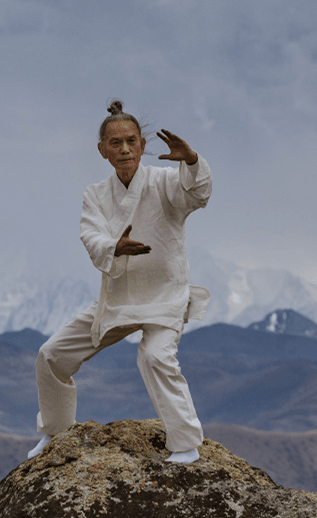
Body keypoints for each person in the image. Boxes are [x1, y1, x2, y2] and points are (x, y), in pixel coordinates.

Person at [28, 100, 211, 464]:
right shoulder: (95, 194)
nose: (125, 149)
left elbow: (197, 195)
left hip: (164, 297)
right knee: (51, 355)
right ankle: (55, 431)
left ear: (142, 145)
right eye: (116, 143)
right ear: (102, 151)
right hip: (117, 298)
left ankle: (186, 444)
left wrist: (191, 161)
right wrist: (116, 247)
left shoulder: (165, 183)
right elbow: (91, 238)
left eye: (131, 141)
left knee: (155, 357)